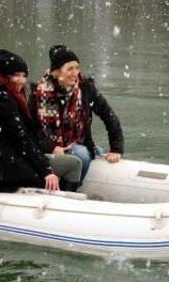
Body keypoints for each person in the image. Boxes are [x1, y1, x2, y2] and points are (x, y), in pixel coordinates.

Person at [0, 49, 82, 192]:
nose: (22, 80)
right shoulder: (4, 100)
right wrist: (46, 171)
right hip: (3, 170)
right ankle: (64, 204)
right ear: (4, 76)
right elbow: (21, 138)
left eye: (24, 76)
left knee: (66, 165)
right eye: (16, 75)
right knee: (70, 167)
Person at [30, 45, 124, 182]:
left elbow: (109, 116)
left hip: (78, 143)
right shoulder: (37, 94)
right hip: (47, 149)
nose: (75, 73)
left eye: (77, 68)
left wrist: (116, 148)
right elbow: (32, 129)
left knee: (97, 152)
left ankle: (74, 182)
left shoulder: (86, 88)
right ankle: (69, 190)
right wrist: (52, 147)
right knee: (82, 155)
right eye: (69, 69)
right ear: (56, 72)